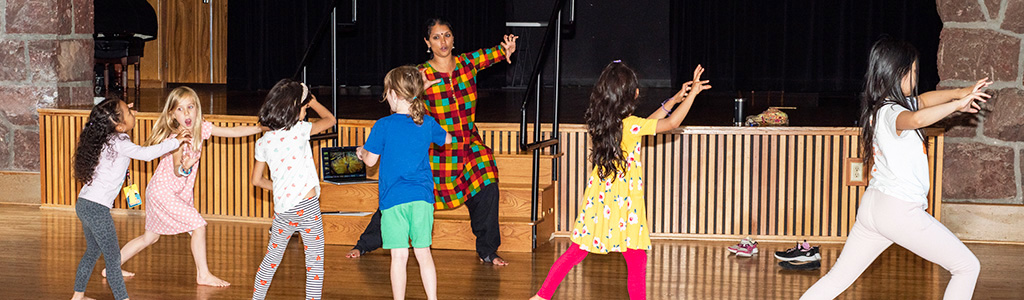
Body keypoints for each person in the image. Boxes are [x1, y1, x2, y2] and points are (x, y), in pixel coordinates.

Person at [799, 37, 988, 300]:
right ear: (899, 73)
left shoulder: (884, 107)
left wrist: (961, 92)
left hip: (875, 207)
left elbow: (923, 101)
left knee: (838, 278)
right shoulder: (892, 113)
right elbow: (919, 118)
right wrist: (957, 106)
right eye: (913, 72)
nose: (915, 77)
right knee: (967, 267)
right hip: (899, 211)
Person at [531, 61, 711, 300]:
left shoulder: (606, 123)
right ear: (631, 95)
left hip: (599, 201)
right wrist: (693, 95)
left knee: (576, 251)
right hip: (627, 205)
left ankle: (541, 297)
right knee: (637, 258)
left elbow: (650, 123)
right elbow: (670, 124)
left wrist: (677, 98)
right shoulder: (630, 126)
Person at [347, 18, 519, 265]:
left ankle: (488, 251)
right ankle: (366, 243)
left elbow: (490, 55)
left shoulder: (466, 63)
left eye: (447, 35)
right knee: (404, 193)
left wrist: (506, 50)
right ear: (428, 42)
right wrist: (420, 89)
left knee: (488, 181)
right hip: (437, 150)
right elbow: (402, 98)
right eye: (436, 37)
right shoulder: (420, 73)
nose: (443, 42)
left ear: (453, 38)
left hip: (468, 145)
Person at [106, 86, 263, 287]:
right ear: (172, 114)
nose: (187, 113)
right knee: (199, 226)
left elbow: (232, 131)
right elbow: (177, 171)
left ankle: (111, 267)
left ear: (197, 108)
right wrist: (185, 168)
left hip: (174, 192)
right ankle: (203, 275)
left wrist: (259, 128)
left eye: (190, 107)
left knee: (149, 238)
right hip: (164, 192)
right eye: (180, 109)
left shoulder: (202, 129)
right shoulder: (176, 140)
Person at [70, 98, 191, 300]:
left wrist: (121, 113)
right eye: (128, 112)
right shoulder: (120, 142)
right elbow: (146, 154)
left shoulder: (107, 138)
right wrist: (175, 141)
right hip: (96, 208)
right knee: (113, 259)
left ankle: (78, 297)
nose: (132, 112)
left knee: (93, 251)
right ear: (118, 125)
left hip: (84, 204)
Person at [357, 65, 453, 300]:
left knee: (399, 257)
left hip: (393, 201)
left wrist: (361, 152)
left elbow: (370, 162)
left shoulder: (383, 125)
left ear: (393, 94)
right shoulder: (427, 123)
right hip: (422, 200)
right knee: (424, 254)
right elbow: (448, 139)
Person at [249, 79, 337, 300]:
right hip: (308, 209)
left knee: (271, 260)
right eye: (305, 109)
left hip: (283, 211)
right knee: (314, 265)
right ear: (293, 109)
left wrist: (279, 187)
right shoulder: (300, 130)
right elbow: (330, 120)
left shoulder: (263, 142)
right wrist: (315, 102)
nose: (306, 113)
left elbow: (257, 181)